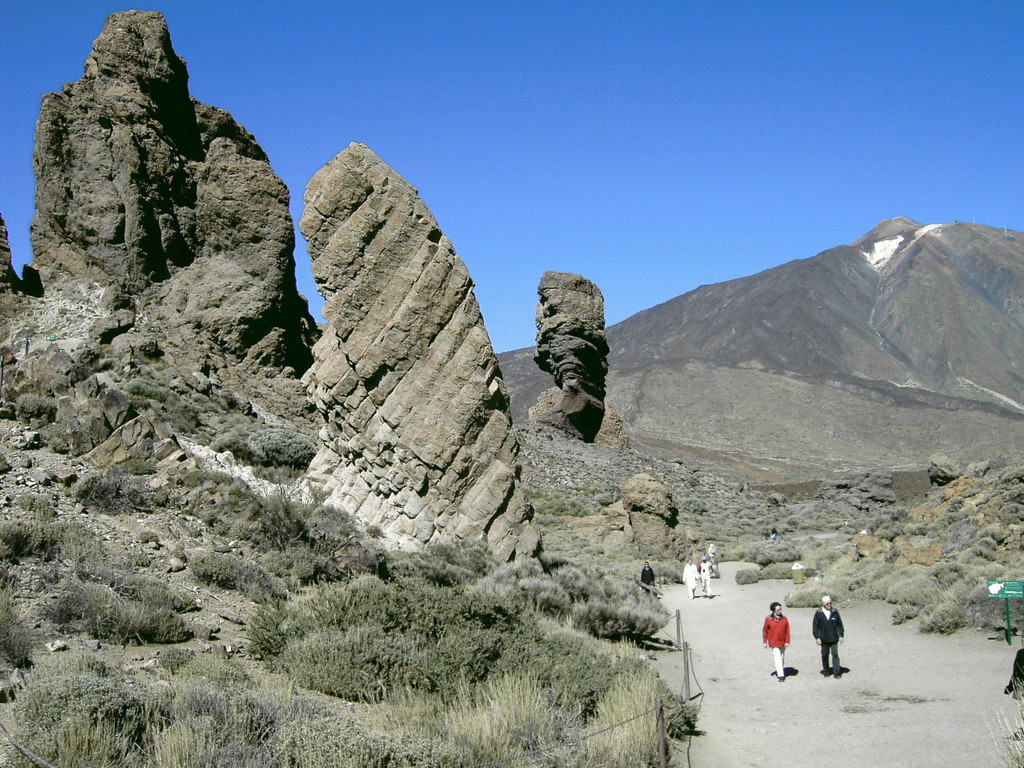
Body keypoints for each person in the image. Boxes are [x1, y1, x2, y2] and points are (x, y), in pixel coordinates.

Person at [812, 595, 845, 677]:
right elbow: (815, 626)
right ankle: (826, 670)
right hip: (824, 639)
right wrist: (817, 637)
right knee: (824, 655)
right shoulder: (819, 613)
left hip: (834, 638)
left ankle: (836, 672)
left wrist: (840, 635)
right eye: (827, 604)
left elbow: (839, 625)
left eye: (830, 603)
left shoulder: (835, 612)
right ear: (823, 604)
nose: (829, 605)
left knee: (835, 654)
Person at [762, 601, 791, 682]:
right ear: (773, 610)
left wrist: (787, 641)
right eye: (778, 610)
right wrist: (765, 641)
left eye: (780, 610)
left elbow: (787, 630)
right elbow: (765, 630)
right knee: (777, 658)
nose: (779, 611)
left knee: (782, 657)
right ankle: (781, 675)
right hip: (774, 642)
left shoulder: (784, 619)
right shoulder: (769, 619)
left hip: (782, 642)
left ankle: (779, 670)